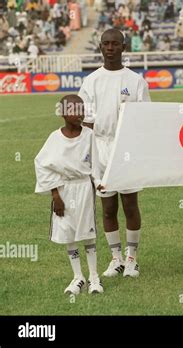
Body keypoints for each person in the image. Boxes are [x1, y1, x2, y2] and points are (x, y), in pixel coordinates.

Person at [78, 28, 151, 278]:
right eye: (106, 44)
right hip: (100, 148)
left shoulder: (135, 81)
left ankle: (132, 258)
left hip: (127, 147)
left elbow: (145, 120)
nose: (110, 48)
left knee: (130, 204)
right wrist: (86, 157)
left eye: (115, 44)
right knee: (107, 207)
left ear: (124, 47)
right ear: (100, 47)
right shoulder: (91, 81)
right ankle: (116, 258)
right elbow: (85, 123)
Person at [34, 95, 103, 295]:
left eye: (82, 110)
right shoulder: (55, 138)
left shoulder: (89, 135)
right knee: (68, 233)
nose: (79, 114)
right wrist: (55, 195)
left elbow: (95, 165)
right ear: (63, 113)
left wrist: (98, 183)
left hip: (83, 188)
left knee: (87, 232)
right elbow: (42, 164)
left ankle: (94, 277)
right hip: (63, 190)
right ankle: (77, 277)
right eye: (74, 110)